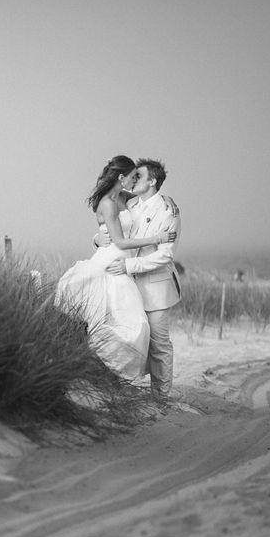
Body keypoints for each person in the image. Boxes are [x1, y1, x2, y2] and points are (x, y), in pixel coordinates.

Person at [55, 156, 175, 381]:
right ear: (122, 177)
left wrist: (163, 199)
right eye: (133, 176)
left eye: (138, 176)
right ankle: (106, 375)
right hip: (114, 264)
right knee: (120, 324)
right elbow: (117, 238)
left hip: (133, 271)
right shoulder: (114, 202)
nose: (135, 180)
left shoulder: (135, 200)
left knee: (143, 332)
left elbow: (148, 203)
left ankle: (138, 386)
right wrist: (155, 238)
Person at [101, 158, 181, 404]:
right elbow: (113, 231)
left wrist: (129, 266)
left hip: (155, 288)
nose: (133, 180)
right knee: (122, 339)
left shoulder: (169, 211)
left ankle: (161, 398)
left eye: (139, 176)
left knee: (158, 344)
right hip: (125, 286)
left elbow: (165, 255)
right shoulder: (129, 203)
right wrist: (97, 240)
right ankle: (119, 393)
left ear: (153, 181)